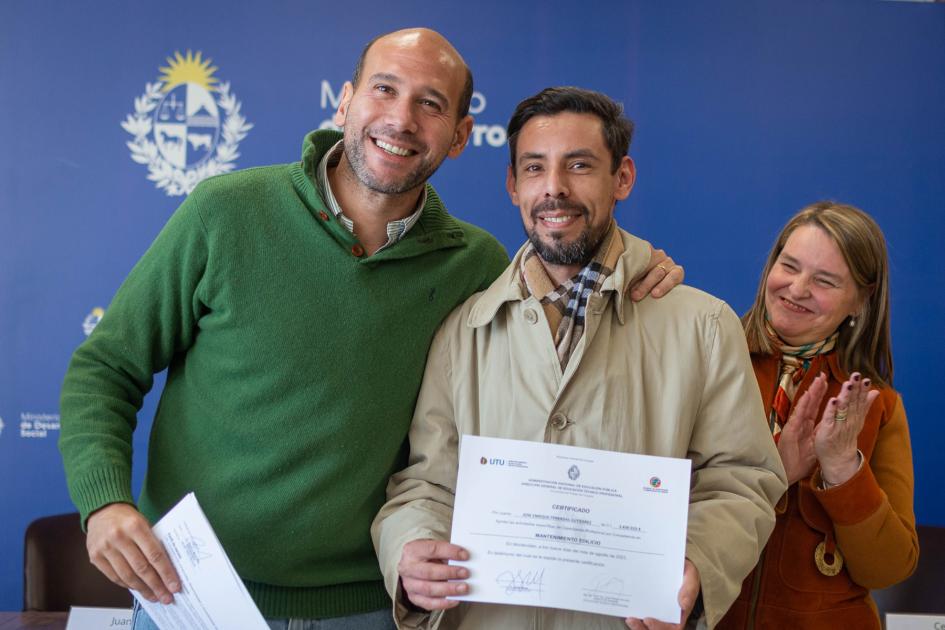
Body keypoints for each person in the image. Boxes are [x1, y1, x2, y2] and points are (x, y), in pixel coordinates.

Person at [58, 31, 680, 629]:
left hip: (372, 606)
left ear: (461, 136)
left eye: (430, 104)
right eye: (384, 90)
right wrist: (104, 503)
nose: (402, 119)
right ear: (345, 101)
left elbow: (573, 283)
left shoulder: (478, 266)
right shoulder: (224, 214)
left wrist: (638, 267)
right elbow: (106, 369)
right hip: (194, 593)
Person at [371, 86, 787, 630]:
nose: (555, 189)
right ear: (512, 184)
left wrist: (700, 565)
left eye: (580, 165)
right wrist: (412, 546)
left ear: (623, 179)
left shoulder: (704, 325)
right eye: (535, 167)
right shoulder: (463, 330)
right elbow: (428, 483)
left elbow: (742, 478)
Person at [717, 202, 918, 629]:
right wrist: (777, 470)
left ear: (860, 302)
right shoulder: (707, 363)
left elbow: (887, 570)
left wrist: (844, 470)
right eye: (789, 265)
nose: (797, 288)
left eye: (824, 280)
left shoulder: (876, 404)